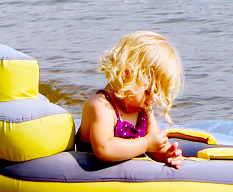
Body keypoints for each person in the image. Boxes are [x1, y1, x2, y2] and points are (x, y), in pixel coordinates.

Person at [78, 31, 185, 167]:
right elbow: (105, 149)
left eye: (154, 95)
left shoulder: (143, 110)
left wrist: (167, 154)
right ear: (127, 74)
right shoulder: (101, 106)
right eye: (147, 92)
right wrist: (146, 143)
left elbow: (156, 145)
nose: (149, 101)